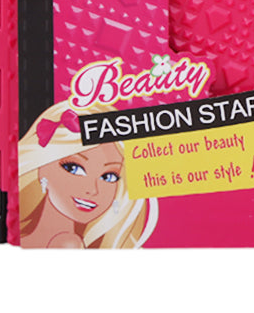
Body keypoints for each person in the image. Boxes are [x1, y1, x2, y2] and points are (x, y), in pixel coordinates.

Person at [18, 100, 157, 249]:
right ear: (42, 165)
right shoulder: (67, 243)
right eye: (73, 168)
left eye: (109, 177)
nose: (92, 189)